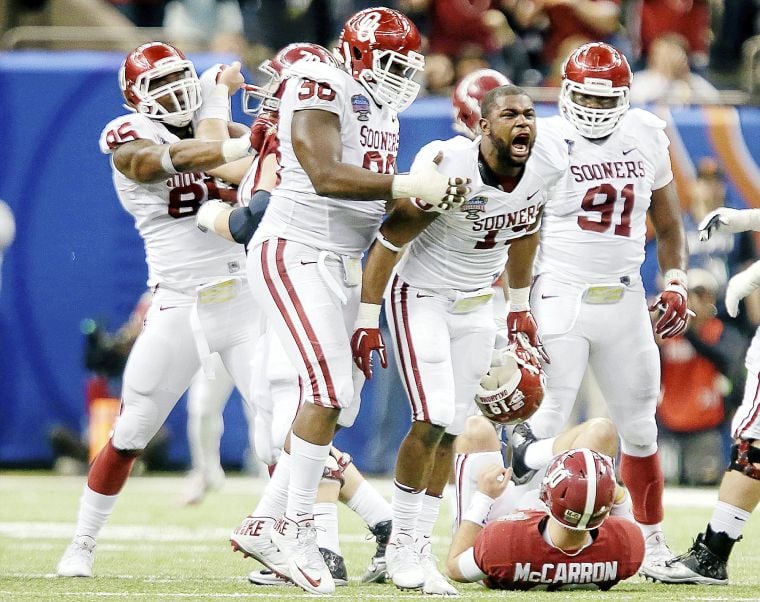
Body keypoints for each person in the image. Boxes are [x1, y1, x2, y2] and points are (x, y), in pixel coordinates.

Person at [192, 44, 397, 586]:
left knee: (323, 409)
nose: (270, 98)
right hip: (290, 274)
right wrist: (215, 98)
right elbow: (218, 156)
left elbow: (244, 213)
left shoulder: (350, 120)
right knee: (303, 413)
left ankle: (288, 526)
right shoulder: (289, 133)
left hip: (313, 274)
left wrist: (212, 212)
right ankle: (307, 534)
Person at [351, 83, 567, 593]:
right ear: (482, 126)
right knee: (432, 416)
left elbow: (526, 228)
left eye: (529, 114)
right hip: (421, 295)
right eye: (509, 114)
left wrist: (518, 308)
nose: (523, 123)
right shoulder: (451, 166)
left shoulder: (547, 161)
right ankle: (402, 545)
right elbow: (388, 240)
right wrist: (366, 317)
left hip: (476, 304)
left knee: (449, 429)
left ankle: (413, 548)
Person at [56, 41, 260, 578]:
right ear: (136, 100)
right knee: (130, 432)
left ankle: (319, 537)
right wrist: (220, 113)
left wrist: (264, 141)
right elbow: (150, 165)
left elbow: (250, 169)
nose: (174, 92)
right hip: (178, 304)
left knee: (282, 420)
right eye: (159, 85)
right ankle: (82, 541)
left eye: (179, 79)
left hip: (242, 297)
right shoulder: (129, 135)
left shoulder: (217, 130)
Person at [507, 42, 689, 573]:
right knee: (545, 425)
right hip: (560, 293)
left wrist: (674, 280)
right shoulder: (542, 140)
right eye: (584, 95)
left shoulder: (647, 134)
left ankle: (652, 544)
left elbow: (672, 224)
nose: (593, 108)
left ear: (626, 98)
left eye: (605, 99)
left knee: (640, 427)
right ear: (565, 91)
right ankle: (523, 530)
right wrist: (518, 305)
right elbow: (520, 228)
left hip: (625, 295)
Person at [641, 205, 760, 585]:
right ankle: (713, 552)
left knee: (752, 442)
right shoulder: (668, 332)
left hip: (704, 428)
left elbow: (729, 367)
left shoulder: (717, 334)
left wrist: (750, 275)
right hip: (673, 427)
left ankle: (712, 554)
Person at [446, 442, 644, 591]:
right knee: (601, 431)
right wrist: (603, 489)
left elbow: (455, 567)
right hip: (535, 541)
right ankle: (529, 451)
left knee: (477, 433)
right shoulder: (629, 546)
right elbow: (616, 506)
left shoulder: (501, 544)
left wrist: (484, 498)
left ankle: (528, 449)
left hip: (516, 540)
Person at [655, 268, 746, 486]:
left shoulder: (722, 331)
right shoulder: (665, 333)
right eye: (689, 296)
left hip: (706, 427)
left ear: (712, 299)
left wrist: (687, 331)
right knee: (664, 485)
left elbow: (727, 361)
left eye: (700, 295)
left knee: (705, 481)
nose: (694, 303)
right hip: (668, 424)